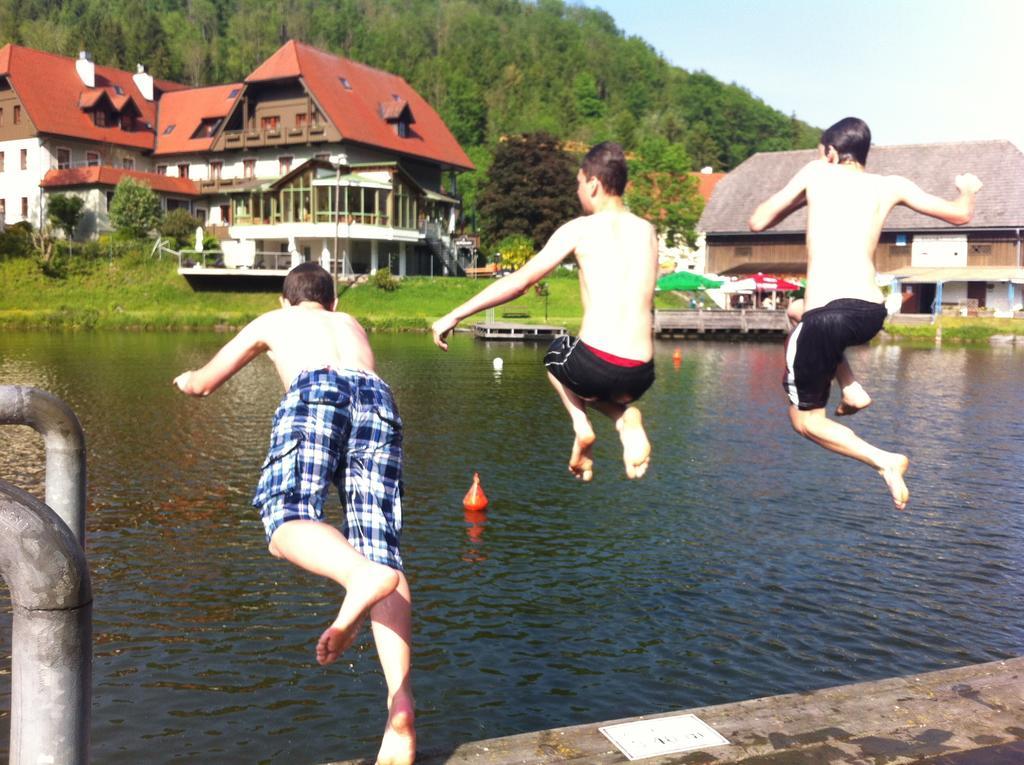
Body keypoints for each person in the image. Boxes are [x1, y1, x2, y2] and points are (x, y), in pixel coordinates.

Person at [173, 263, 415, 765]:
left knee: (283, 522)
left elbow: (205, 383)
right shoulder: (351, 326)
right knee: (383, 549)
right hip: (378, 399)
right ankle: (400, 704)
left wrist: (185, 379)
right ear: (332, 304)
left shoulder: (273, 321)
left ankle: (360, 576)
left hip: (316, 393)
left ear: (286, 301)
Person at [749, 116, 982, 510]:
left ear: (830, 152)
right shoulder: (891, 185)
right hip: (870, 312)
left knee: (804, 421)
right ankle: (852, 387)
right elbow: (961, 215)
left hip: (828, 316)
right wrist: (968, 189)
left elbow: (757, 221)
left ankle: (885, 461)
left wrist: (805, 192)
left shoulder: (816, 172)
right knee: (796, 310)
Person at [432, 142, 658, 482]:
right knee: (593, 380)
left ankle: (582, 427)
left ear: (593, 183)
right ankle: (624, 421)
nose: (578, 190)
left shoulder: (580, 229)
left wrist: (455, 315)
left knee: (557, 355)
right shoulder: (648, 231)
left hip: (594, 366)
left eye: (579, 183)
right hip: (642, 373)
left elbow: (520, 283)